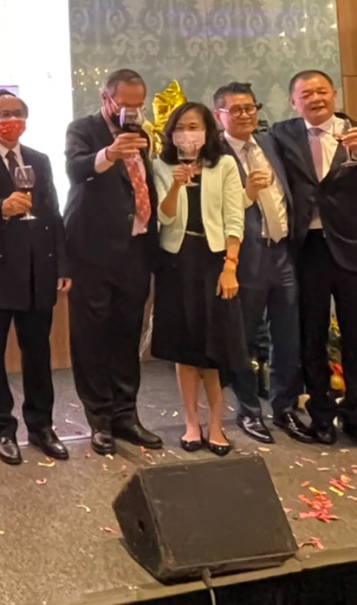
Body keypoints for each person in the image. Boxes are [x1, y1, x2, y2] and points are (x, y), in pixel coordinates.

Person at [272, 71, 357, 453]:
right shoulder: (281, 135)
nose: (315, 98)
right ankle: (320, 415)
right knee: (311, 336)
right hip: (306, 250)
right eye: (306, 94)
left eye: (321, 91)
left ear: (334, 94)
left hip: (355, 250)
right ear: (293, 101)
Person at [0, 90, 71, 466]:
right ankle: (3, 428)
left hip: (38, 270)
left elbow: (52, 212)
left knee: (38, 352)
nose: (11, 120)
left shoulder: (39, 159)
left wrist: (62, 265)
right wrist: (0, 208)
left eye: (17, 113)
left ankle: (41, 426)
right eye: (3, 114)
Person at [63, 69, 162, 456]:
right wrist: (109, 154)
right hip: (92, 252)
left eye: (139, 105)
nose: (132, 112)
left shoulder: (142, 135)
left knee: (126, 335)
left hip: (135, 250)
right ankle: (99, 419)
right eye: (124, 105)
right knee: (91, 338)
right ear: (106, 98)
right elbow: (76, 169)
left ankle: (126, 415)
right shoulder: (83, 129)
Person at [212, 83, 310, 445]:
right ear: (218, 116)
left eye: (250, 108)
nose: (245, 115)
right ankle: (249, 411)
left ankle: (285, 407)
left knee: (287, 336)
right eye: (235, 110)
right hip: (243, 257)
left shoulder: (270, 144)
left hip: (281, 252)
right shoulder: (214, 155)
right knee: (244, 338)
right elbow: (214, 209)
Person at [151, 103, 246, 456]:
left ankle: (217, 425)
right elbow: (163, 217)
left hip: (214, 259)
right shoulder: (161, 165)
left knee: (214, 347)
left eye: (194, 126)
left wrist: (230, 266)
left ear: (207, 130)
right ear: (171, 133)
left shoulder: (224, 165)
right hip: (176, 260)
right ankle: (191, 423)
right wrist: (176, 186)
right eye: (181, 127)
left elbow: (234, 217)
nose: (187, 133)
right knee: (184, 346)